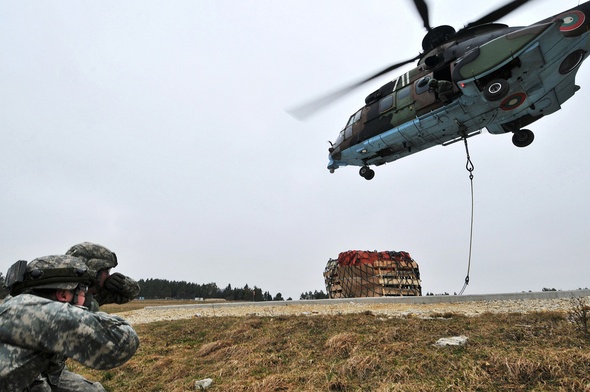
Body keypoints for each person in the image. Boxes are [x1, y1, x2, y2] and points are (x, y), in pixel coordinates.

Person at [0, 255, 140, 391]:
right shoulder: (47, 314)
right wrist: (89, 315)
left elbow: (48, 371)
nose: (84, 298)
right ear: (63, 294)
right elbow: (124, 342)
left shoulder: (19, 305)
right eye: (83, 291)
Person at [65, 242, 140, 311]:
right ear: (94, 271)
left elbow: (132, 293)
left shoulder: (94, 294)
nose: (109, 276)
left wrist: (123, 283)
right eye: (107, 272)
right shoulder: (59, 295)